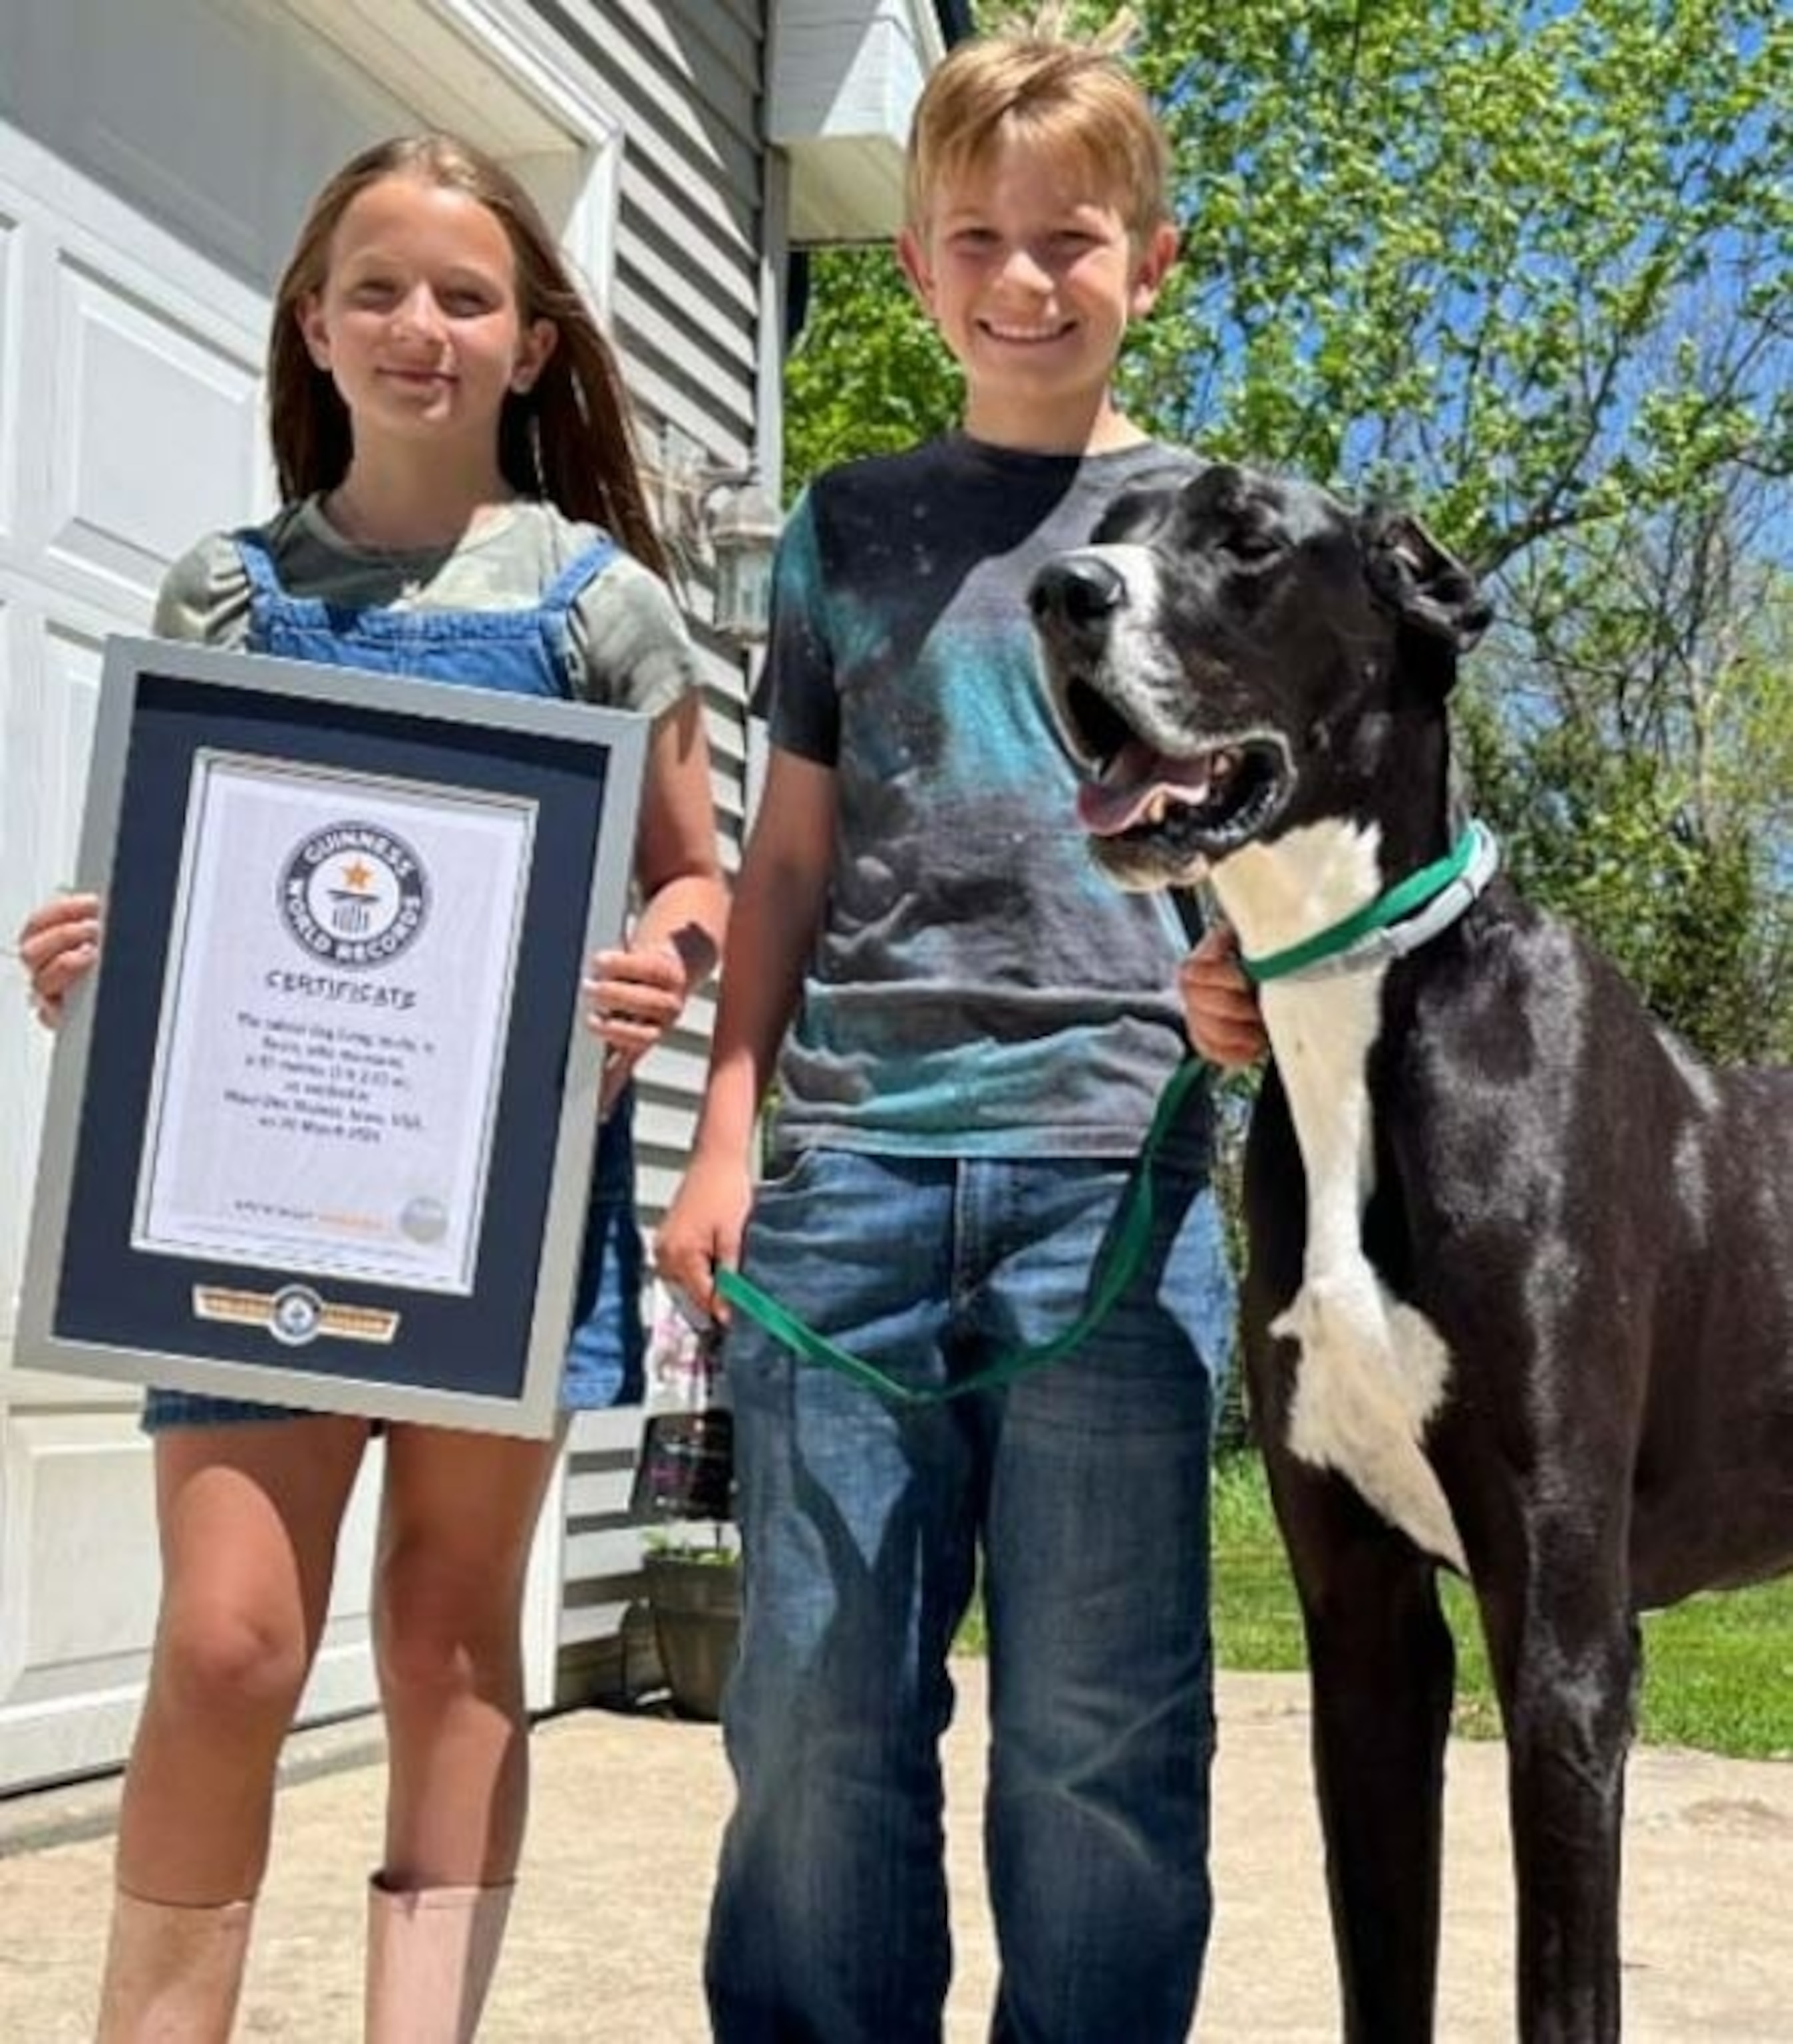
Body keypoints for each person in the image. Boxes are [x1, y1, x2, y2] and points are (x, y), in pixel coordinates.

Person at [16, 133, 725, 2043]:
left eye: (470, 296)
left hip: (491, 1208)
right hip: (239, 1200)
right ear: (313, 325)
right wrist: (97, 956)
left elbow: (694, 871)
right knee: (234, 1645)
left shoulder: (601, 606)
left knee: (442, 1632)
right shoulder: (223, 595)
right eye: (383, 289)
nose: (425, 326)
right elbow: (169, 872)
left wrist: (666, 959)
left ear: (533, 346)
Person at [655, 30, 1240, 2044]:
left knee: (1102, 1728)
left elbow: (1305, 838)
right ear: (913, 267)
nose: (1024, 279)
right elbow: (791, 864)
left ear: (1151, 259)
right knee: (816, 1707)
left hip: (1123, 1184)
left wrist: (1263, 978)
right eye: (977, 239)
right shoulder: (847, 530)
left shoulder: (1226, 532)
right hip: (852, 1183)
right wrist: (726, 1135)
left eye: (1070, 240)